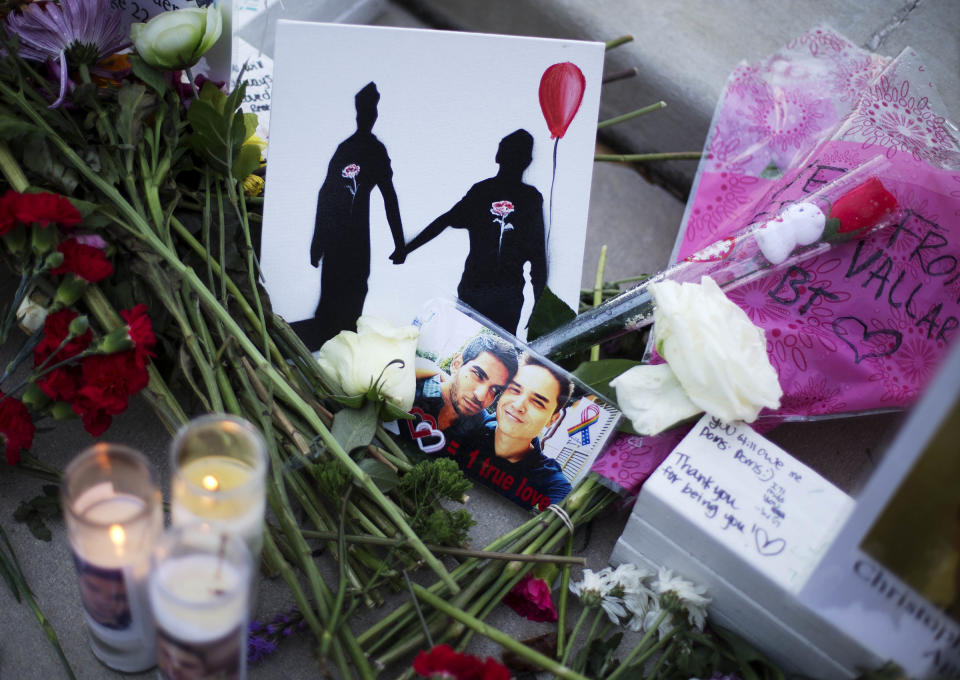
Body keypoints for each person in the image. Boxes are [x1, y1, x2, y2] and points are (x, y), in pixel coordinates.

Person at [292, 82, 406, 350]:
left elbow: (389, 196)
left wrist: (399, 242)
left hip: (355, 240)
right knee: (332, 301)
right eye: (364, 110)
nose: (366, 115)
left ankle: (337, 357)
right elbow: (327, 194)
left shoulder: (374, 150)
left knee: (352, 299)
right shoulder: (346, 149)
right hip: (337, 238)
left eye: (369, 110)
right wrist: (317, 241)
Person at [400, 129, 547, 334]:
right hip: (475, 291)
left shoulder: (530, 198)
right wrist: (407, 248)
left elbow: (538, 254)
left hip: (505, 295)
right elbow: (446, 220)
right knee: (464, 346)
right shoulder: (482, 192)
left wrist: (540, 305)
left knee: (495, 355)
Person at [455, 354, 573, 510]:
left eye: (537, 402)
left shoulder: (548, 479)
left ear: (552, 419)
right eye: (515, 390)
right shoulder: (471, 422)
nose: (518, 405)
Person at [402, 334, 518, 451]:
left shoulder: (481, 425)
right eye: (478, 375)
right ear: (457, 364)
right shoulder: (410, 385)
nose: (481, 396)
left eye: (495, 389)